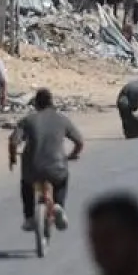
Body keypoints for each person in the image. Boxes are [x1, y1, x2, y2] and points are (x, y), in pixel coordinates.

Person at [9, 88, 85, 233]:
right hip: (57, 167)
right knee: (62, 180)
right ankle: (59, 205)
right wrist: (73, 155)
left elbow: (13, 142)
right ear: (51, 103)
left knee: (26, 186)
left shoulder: (27, 120)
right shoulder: (62, 119)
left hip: (32, 168)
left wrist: (12, 158)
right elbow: (79, 142)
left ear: (36, 104)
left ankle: (30, 217)